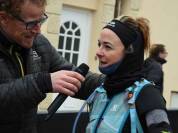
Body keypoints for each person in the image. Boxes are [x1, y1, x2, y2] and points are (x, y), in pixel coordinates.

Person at [0, 0, 103, 133]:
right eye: (31, 23)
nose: (38, 30)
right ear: (3, 18)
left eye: (41, 20)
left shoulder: (39, 44)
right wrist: (41, 82)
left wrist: (113, 80)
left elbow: (74, 76)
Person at [82, 16, 172, 133]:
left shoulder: (147, 94)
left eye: (107, 47)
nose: (98, 52)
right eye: (99, 44)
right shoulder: (101, 91)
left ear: (130, 52)